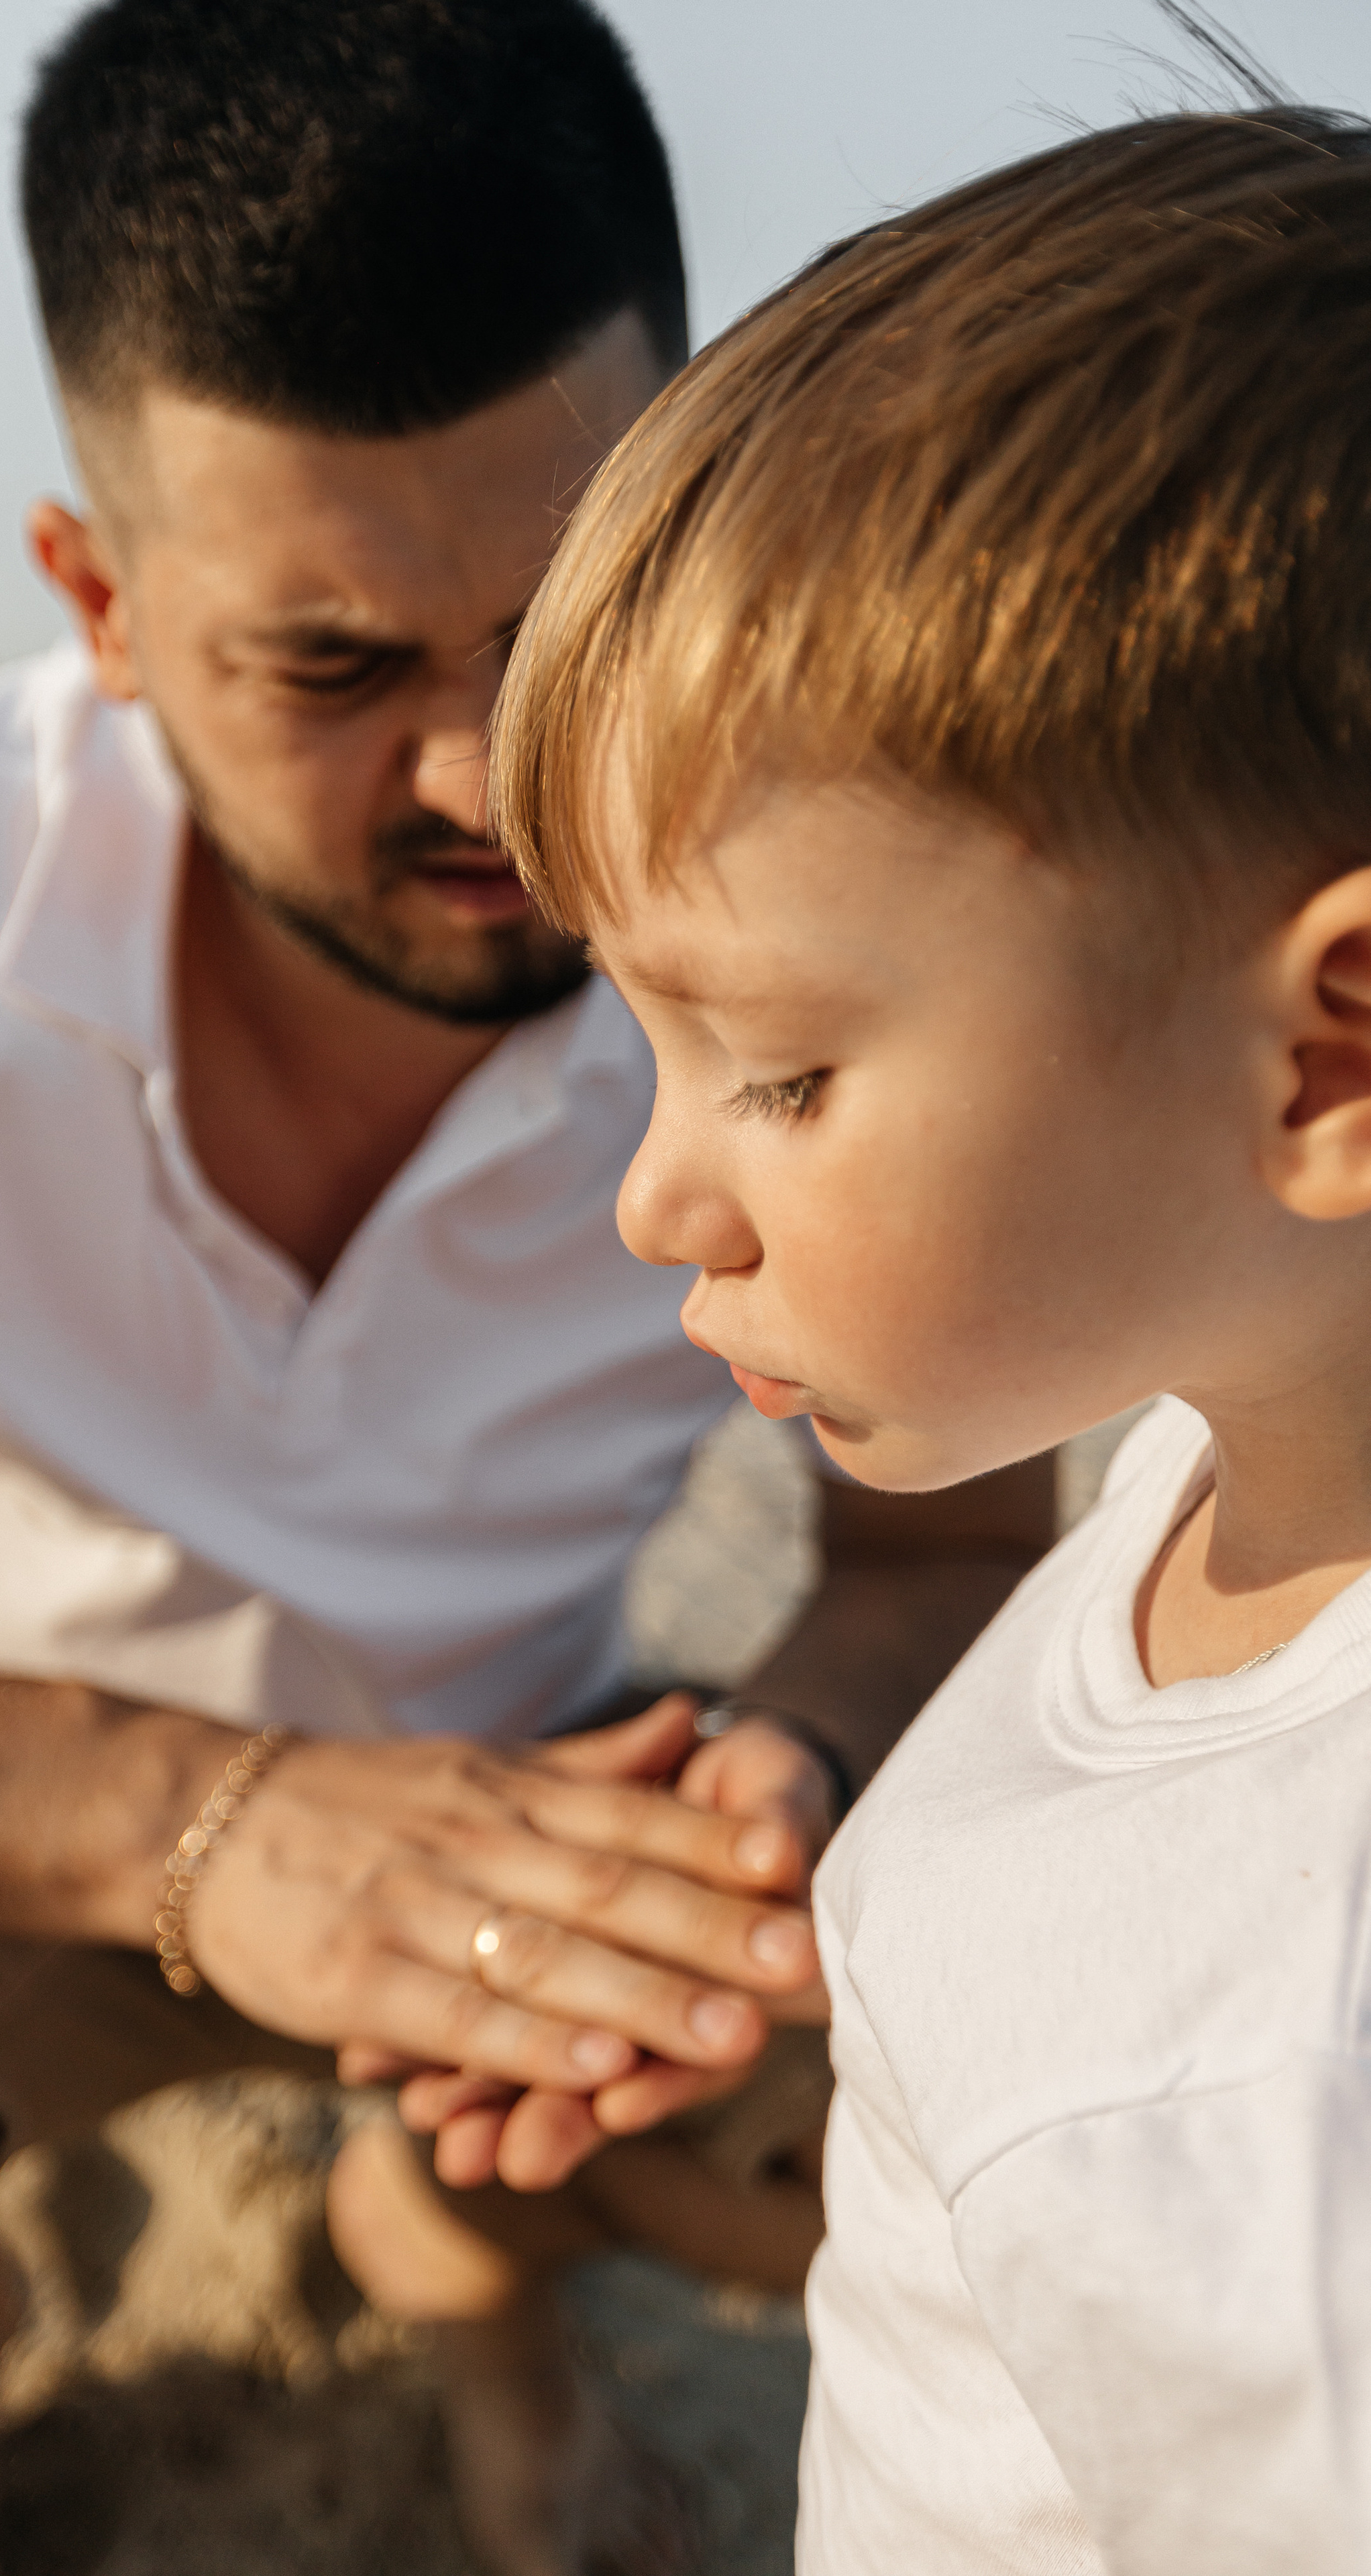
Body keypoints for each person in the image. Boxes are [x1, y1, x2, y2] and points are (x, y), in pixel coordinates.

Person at [0, 5, 1053, 2571]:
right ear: (97, 598)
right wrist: (209, 1829)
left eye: (561, 623)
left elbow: (939, 1564)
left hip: (549, 1811)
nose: (486, 779)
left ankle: (459, 2251)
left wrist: (790, 1774)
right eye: (332, 666)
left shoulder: (863, 924)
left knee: (997, 2154)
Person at [490, 92, 1371, 2576]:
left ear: (1335, 1054)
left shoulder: (1269, 2078)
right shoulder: (1247, 1466)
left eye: (775, 1066)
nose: (662, 1185)